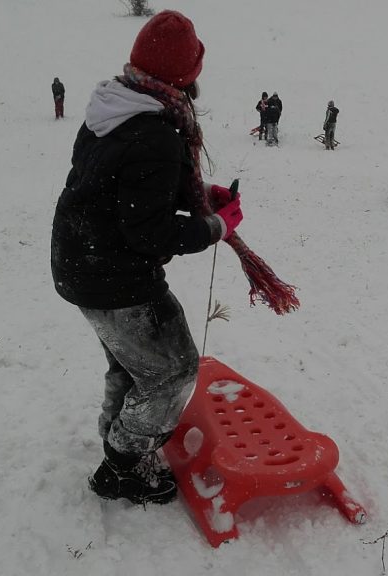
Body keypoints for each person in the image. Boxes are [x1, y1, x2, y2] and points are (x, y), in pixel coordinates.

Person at [50, 10, 244, 506]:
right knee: (173, 370)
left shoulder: (114, 106)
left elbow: (122, 185)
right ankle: (121, 467)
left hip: (80, 261)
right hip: (112, 275)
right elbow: (149, 231)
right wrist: (216, 226)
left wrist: (198, 191)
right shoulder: (156, 131)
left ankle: (119, 435)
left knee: (134, 364)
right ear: (187, 74)